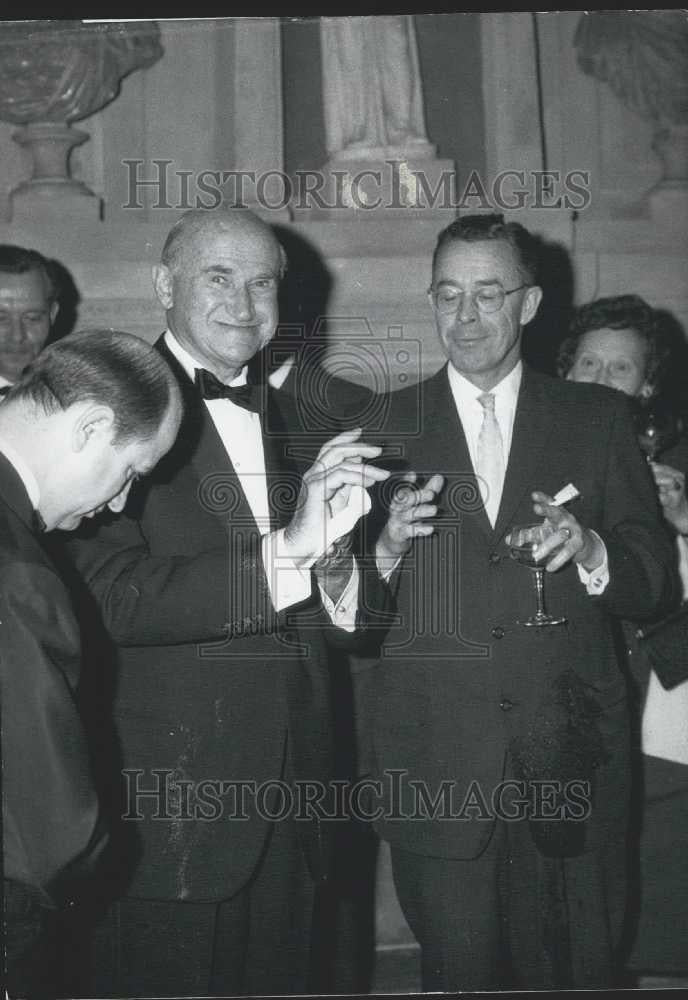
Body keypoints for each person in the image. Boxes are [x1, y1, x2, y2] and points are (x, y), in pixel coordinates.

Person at [58, 206, 392, 997]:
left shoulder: (304, 416)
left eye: (263, 282)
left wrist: (341, 569)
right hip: (171, 815)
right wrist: (294, 552)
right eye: (219, 277)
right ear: (164, 285)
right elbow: (108, 598)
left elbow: (348, 626)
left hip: (298, 808)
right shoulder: (106, 402)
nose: (244, 304)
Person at [366, 214, 678, 990]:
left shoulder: (598, 420)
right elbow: (344, 615)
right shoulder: (380, 427)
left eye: (487, 294)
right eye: (448, 295)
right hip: (439, 772)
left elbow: (656, 581)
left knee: (575, 978)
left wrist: (595, 549)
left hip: (571, 760)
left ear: (529, 305)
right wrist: (385, 552)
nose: (465, 317)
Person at [0, 328, 182, 997]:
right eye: (131, 471)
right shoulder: (16, 570)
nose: (120, 505)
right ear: (89, 426)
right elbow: (54, 833)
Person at [559, 294, 688, 982]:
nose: (603, 379)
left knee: (659, 894)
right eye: (589, 363)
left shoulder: (674, 458)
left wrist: (686, 519)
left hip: (665, 703)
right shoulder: (536, 449)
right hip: (570, 693)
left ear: (648, 386)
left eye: (622, 368)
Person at [0, 245, 60, 393]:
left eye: (33, 318)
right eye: (1, 319)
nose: (17, 337)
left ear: (52, 314)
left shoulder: (84, 394)